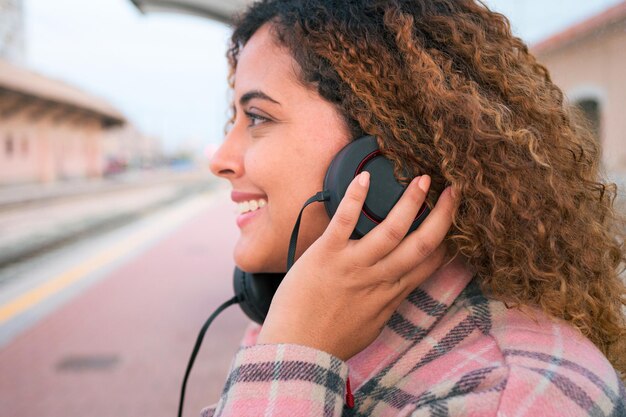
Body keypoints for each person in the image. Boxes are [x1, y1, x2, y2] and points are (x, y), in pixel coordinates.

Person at [205, 0, 626, 415]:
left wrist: (292, 352)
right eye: (233, 120)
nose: (220, 157)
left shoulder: (510, 395)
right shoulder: (299, 310)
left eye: (258, 117)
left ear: (382, 157)